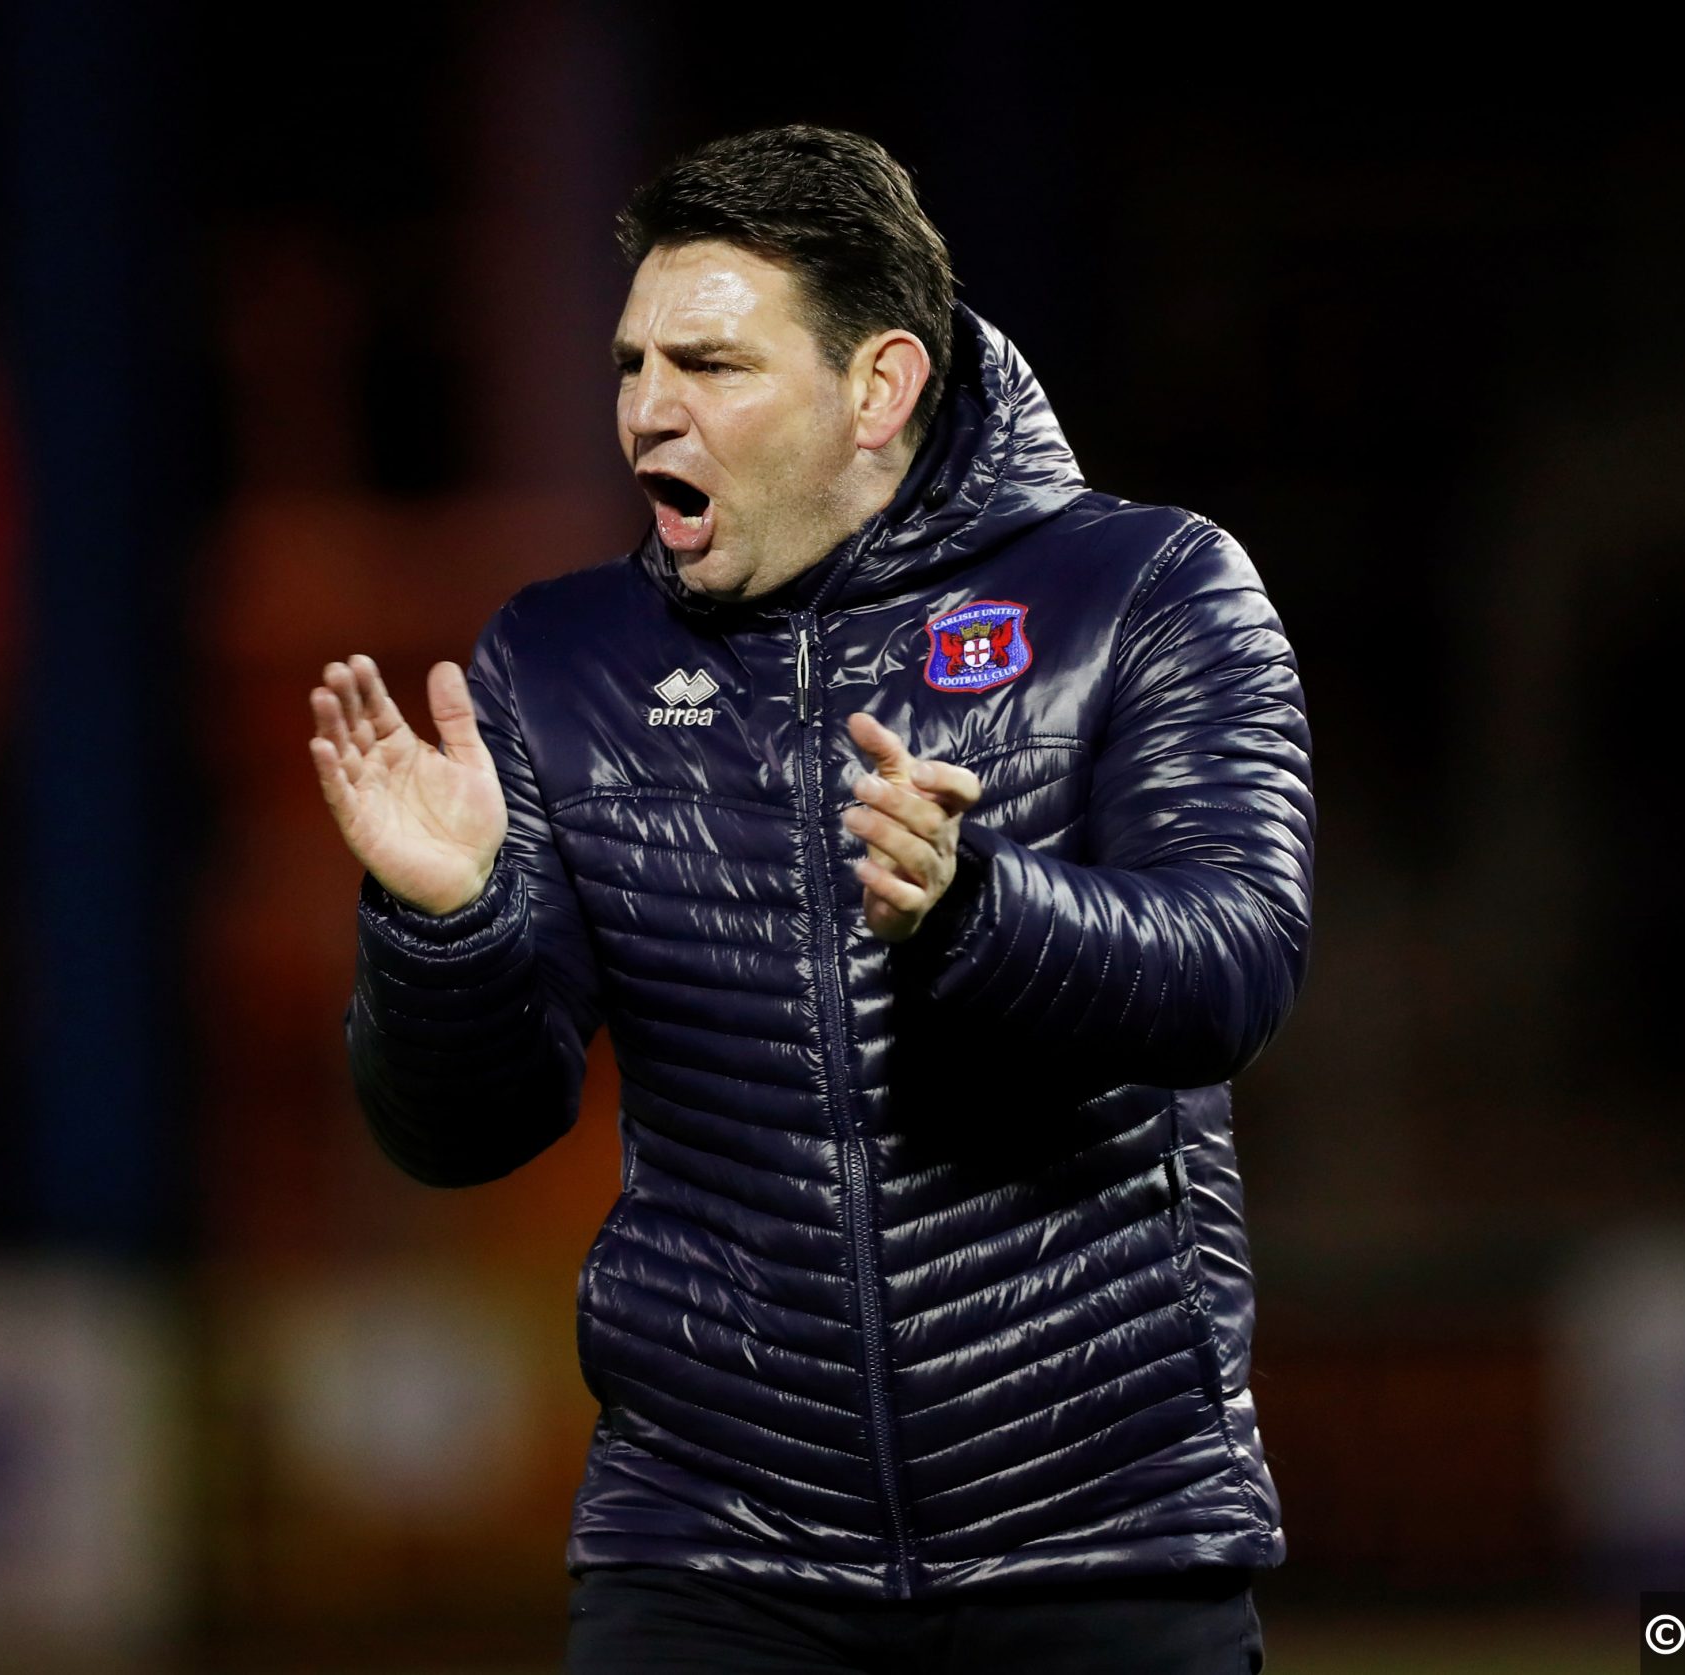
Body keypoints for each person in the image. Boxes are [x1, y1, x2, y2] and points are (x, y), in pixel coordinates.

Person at [307, 125, 1311, 1675]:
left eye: (710, 364)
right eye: (633, 362)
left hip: (1098, 1538)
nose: (648, 409)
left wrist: (977, 911)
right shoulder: (560, 666)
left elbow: (1233, 971)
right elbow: (465, 1132)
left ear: (879, 389)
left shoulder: (1150, 591)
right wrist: (444, 924)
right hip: (710, 1556)